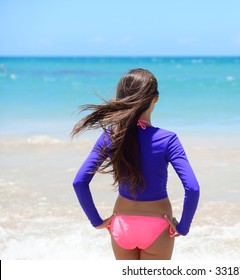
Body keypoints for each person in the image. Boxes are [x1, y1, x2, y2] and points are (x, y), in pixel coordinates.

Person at [71, 68, 200, 260]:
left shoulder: (111, 135)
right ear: (155, 99)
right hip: (158, 226)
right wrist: (183, 227)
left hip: (122, 225)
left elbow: (79, 182)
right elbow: (192, 188)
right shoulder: (168, 139)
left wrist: (96, 221)